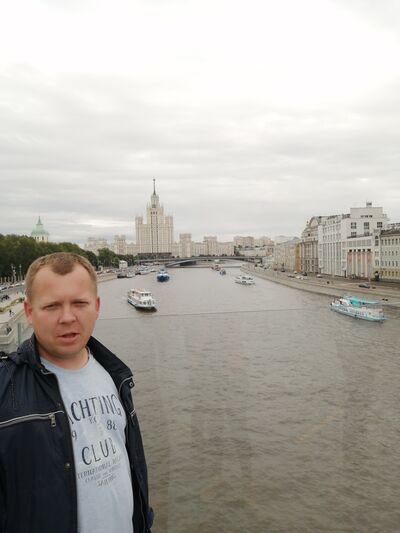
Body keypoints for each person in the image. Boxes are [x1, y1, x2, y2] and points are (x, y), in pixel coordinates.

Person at [0, 252, 153, 533]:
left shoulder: (116, 375)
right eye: (52, 306)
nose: (67, 317)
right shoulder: (4, 391)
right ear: (29, 312)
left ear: (97, 306)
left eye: (80, 303)